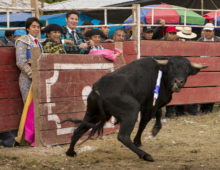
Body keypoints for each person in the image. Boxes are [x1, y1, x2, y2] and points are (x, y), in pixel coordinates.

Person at [15, 17, 43, 146]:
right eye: (33, 26)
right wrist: (33, 75)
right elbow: (20, 62)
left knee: (38, 107)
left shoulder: (39, 43)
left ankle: (37, 137)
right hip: (27, 79)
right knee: (29, 107)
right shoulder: (22, 41)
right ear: (27, 28)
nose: (36, 29)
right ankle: (28, 139)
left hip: (39, 78)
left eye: (38, 27)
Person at [197, 23, 220, 114]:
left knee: (212, 87)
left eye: (209, 31)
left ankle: (209, 108)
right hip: (202, 66)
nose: (208, 33)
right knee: (202, 87)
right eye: (206, 31)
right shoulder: (199, 40)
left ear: (213, 32)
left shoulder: (218, 40)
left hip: (214, 67)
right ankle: (203, 108)